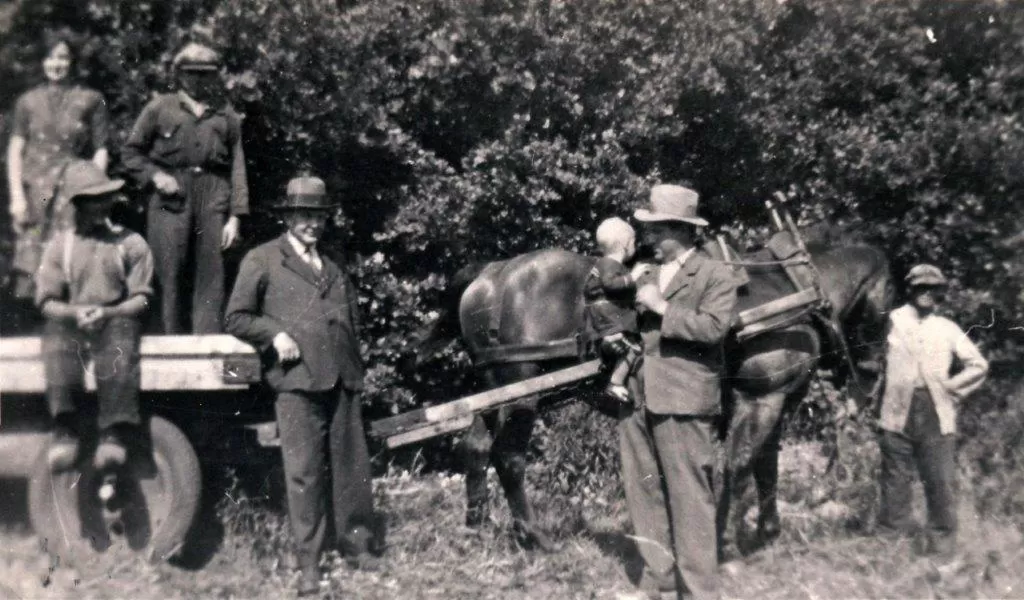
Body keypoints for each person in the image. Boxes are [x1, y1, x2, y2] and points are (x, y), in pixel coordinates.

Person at [225, 175, 380, 596]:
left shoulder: (330, 265)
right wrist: (275, 335)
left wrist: (356, 369)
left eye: (317, 216)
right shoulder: (262, 259)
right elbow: (236, 316)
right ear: (289, 217)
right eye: (303, 215)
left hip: (343, 378)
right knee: (304, 474)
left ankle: (357, 545)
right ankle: (309, 563)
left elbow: (349, 321)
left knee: (352, 469)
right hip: (296, 383)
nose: (311, 223)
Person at [619, 184, 737, 600]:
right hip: (638, 397)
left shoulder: (715, 274)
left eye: (656, 228)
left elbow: (713, 329)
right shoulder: (647, 271)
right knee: (643, 491)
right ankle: (661, 579)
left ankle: (700, 592)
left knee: (690, 499)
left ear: (682, 230)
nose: (648, 236)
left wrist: (662, 307)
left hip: (685, 400)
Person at [34, 161, 154, 471]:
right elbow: (46, 301)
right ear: (77, 204)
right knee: (55, 340)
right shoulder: (60, 246)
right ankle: (65, 429)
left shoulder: (129, 242)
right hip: (75, 320)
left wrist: (109, 311)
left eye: (105, 197)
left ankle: (112, 433)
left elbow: (141, 298)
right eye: (92, 199)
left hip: (114, 317)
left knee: (120, 343)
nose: (102, 205)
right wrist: (74, 313)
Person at [122, 42, 249, 334]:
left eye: (206, 74)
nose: (198, 80)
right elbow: (131, 153)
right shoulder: (159, 108)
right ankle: (167, 345)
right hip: (170, 196)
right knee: (168, 270)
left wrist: (235, 217)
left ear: (215, 76)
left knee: (211, 274)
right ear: (179, 74)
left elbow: (237, 167)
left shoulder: (226, 115)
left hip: (213, 195)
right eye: (191, 73)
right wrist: (154, 176)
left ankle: (207, 350)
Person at [876, 264, 988, 557]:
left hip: (936, 413)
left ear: (939, 292)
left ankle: (941, 552)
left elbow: (978, 365)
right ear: (910, 289)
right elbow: (871, 363)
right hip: (896, 412)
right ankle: (892, 552)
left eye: (932, 288)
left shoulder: (947, 328)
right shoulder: (890, 322)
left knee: (940, 483)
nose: (926, 293)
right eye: (920, 287)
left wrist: (952, 388)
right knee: (894, 484)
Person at [7, 31, 110, 303]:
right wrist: (17, 198)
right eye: (51, 57)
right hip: (36, 193)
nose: (57, 64)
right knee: (32, 259)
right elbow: (16, 150)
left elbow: (101, 150)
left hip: (72, 190)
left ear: (72, 61)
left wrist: (96, 192)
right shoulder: (27, 102)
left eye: (63, 57)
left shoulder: (91, 99)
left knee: (72, 254)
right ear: (42, 62)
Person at [583, 217, 645, 405]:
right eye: (633, 241)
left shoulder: (600, 264)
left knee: (623, 345)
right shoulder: (610, 264)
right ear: (626, 244)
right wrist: (632, 277)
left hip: (599, 314)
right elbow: (610, 284)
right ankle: (616, 382)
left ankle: (610, 343)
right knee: (635, 347)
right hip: (609, 315)